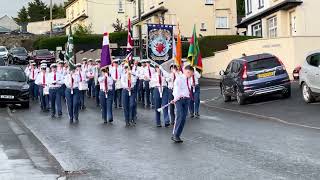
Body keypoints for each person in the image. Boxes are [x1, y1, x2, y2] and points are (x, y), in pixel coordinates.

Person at [171, 65, 194, 143]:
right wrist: (175, 98)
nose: (191, 75)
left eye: (191, 74)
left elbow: (188, 89)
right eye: (190, 73)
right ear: (186, 71)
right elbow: (176, 89)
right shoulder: (179, 78)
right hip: (179, 100)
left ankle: (178, 135)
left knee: (183, 118)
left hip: (186, 99)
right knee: (179, 116)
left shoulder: (189, 79)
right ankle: (174, 134)